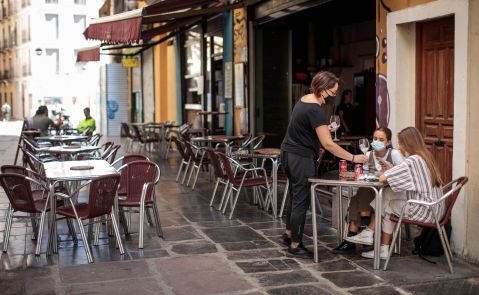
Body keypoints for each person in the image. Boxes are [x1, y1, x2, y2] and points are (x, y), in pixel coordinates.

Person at [280, 71, 368, 259]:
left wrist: (325, 130)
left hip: (288, 154)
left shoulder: (304, 100)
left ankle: (289, 234)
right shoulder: (316, 110)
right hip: (301, 158)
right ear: (322, 88)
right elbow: (328, 145)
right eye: (333, 91)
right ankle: (295, 245)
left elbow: (304, 129)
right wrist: (354, 158)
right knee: (301, 201)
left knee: (294, 196)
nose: (334, 95)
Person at [346, 127, 444, 259]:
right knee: (388, 195)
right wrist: (392, 169)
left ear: (407, 143)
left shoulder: (412, 160)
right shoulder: (425, 156)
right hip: (436, 207)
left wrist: (388, 172)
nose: (400, 146)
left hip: (425, 211)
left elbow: (382, 178)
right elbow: (406, 176)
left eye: (401, 142)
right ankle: (376, 242)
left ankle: (371, 235)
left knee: (386, 202)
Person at [332, 127, 404, 254]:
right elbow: (364, 176)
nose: (377, 141)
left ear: (388, 142)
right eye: (375, 138)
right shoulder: (368, 155)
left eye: (381, 139)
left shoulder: (394, 154)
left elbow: (403, 174)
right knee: (359, 195)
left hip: (388, 193)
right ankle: (362, 231)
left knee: (360, 196)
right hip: (372, 192)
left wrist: (391, 168)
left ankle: (352, 240)